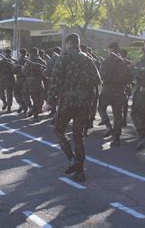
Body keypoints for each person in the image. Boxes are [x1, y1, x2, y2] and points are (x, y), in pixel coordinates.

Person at [44, 33, 101, 182]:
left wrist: (49, 101)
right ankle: (80, 171)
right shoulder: (88, 59)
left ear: (68, 44)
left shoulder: (64, 58)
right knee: (78, 135)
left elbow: (55, 80)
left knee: (59, 129)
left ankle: (72, 159)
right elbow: (97, 79)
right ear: (78, 43)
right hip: (85, 101)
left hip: (68, 100)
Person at [98, 42, 132, 147]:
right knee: (118, 115)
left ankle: (108, 126)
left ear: (110, 50)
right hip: (120, 90)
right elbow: (129, 78)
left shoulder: (106, 61)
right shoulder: (124, 62)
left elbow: (102, 76)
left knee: (101, 108)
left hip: (108, 89)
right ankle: (116, 138)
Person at [23, 47, 46, 122]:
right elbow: (45, 73)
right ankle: (35, 114)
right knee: (37, 99)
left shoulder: (29, 61)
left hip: (30, 81)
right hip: (39, 82)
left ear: (32, 53)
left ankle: (31, 108)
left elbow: (25, 72)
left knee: (25, 94)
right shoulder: (42, 61)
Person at [0, 48, 16, 113]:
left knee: (0, 90)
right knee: (9, 93)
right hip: (11, 78)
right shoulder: (14, 60)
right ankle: (9, 107)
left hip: (4, 78)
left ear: (6, 53)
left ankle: (4, 102)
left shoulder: (2, 61)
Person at [14, 48, 28, 113]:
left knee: (17, 93)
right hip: (28, 79)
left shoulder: (20, 60)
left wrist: (15, 65)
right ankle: (23, 106)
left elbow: (15, 71)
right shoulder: (28, 59)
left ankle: (22, 105)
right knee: (25, 94)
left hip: (21, 79)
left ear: (20, 53)